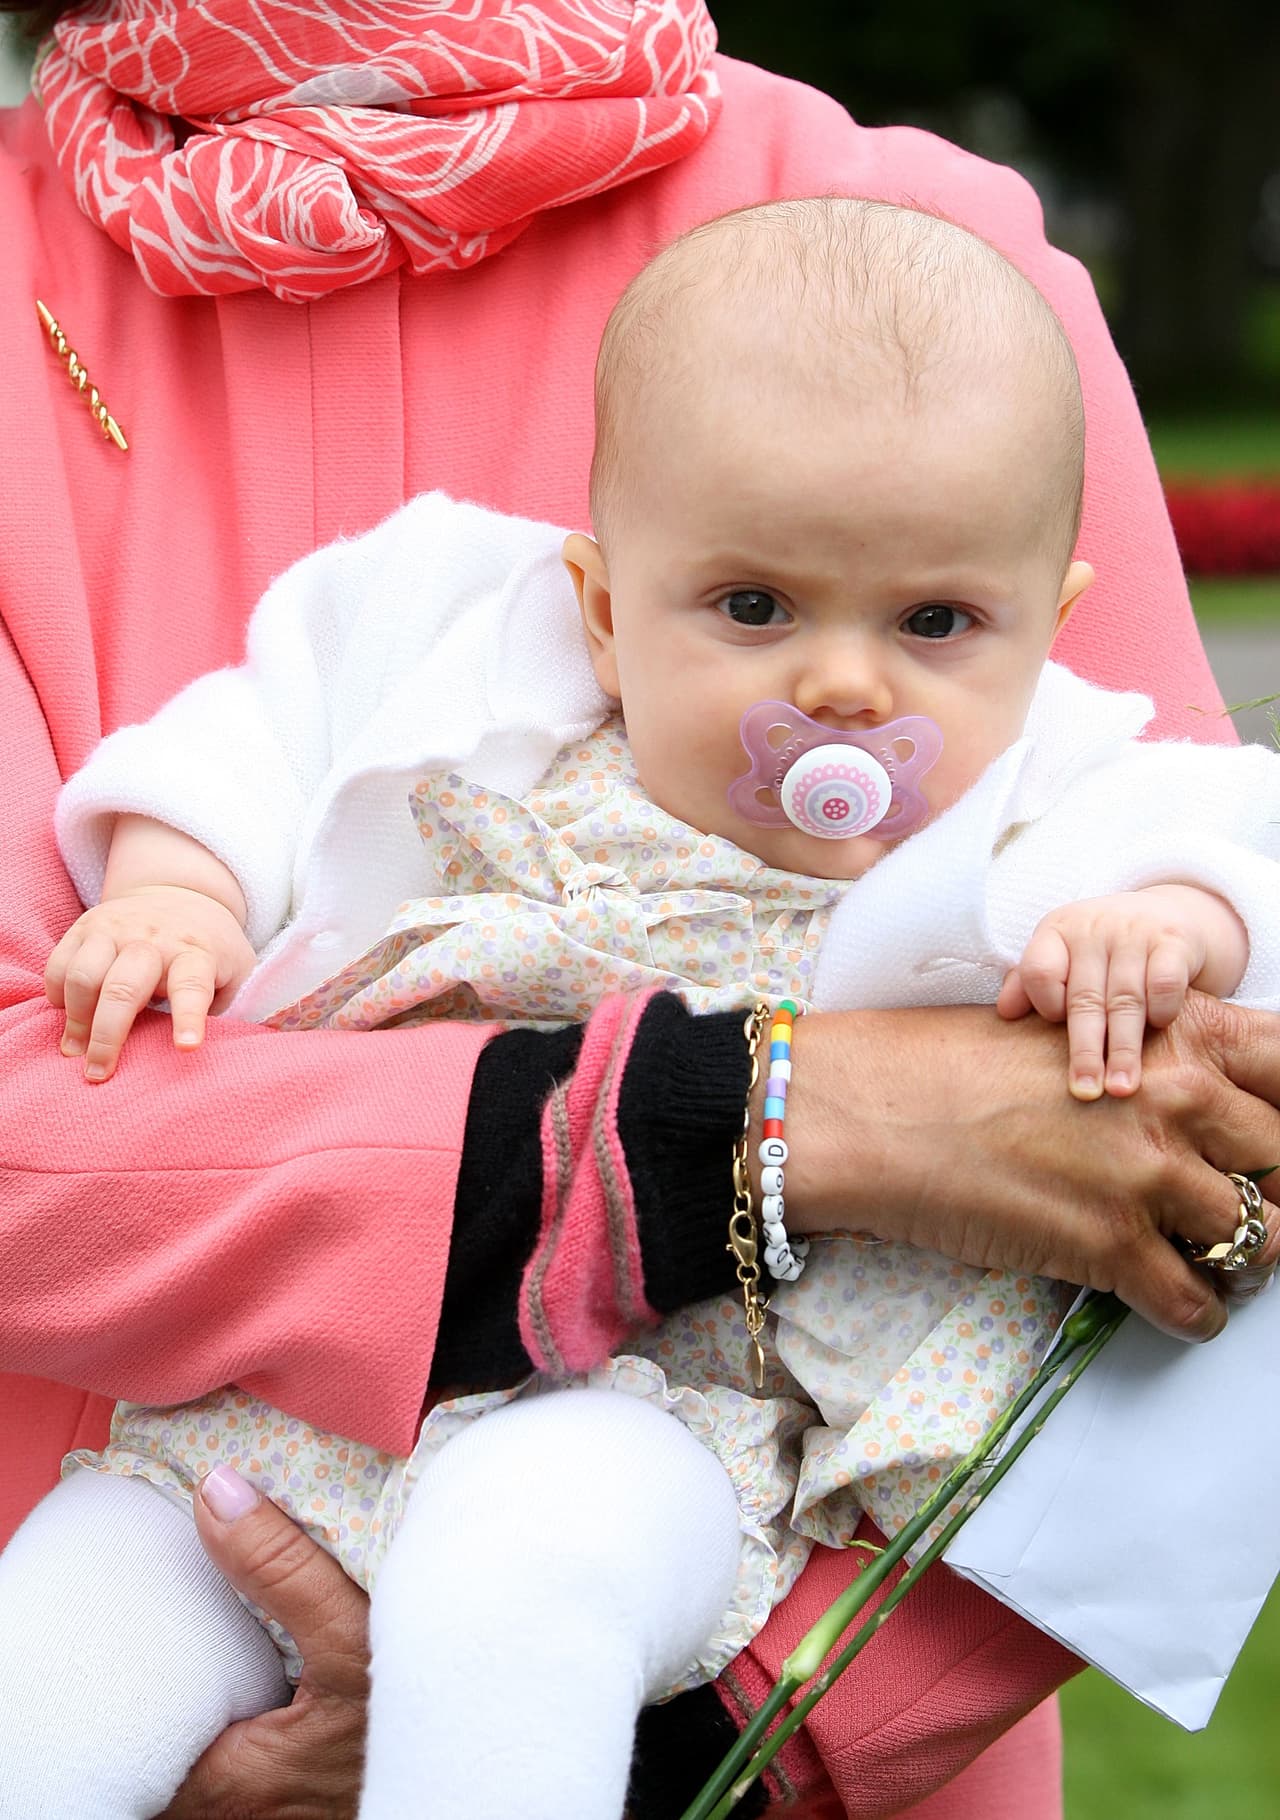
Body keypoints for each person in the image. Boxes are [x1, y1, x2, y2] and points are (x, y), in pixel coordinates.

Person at [4, 3, 1280, 1815]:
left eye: (927, 624)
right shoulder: (433, 612)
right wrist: (784, 1120)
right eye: (754, 608)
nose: (843, 685)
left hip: (728, 1571)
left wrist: (732, 1746)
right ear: (597, 609)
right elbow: (49, 1083)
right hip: (183, 1510)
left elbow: (1211, 1134)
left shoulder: (926, 255)